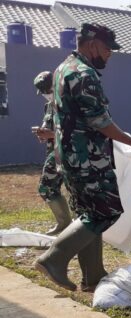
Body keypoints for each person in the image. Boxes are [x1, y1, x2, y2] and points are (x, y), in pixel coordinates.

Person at [34, 23, 131, 292]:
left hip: (70, 157)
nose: (110, 54)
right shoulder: (84, 74)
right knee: (105, 211)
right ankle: (54, 258)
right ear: (93, 43)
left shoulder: (63, 69)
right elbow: (99, 121)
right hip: (87, 159)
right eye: (108, 49)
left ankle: (93, 276)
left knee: (88, 214)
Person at [30, 71, 71, 235]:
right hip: (54, 152)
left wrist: (52, 135)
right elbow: (49, 127)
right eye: (44, 92)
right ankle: (65, 223)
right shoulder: (49, 106)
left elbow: (79, 132)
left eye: (48, 90)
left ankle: (69, 225)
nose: (47, 95)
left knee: (48, 187)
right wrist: (43, 134)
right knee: (49, 187)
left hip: (70, 152)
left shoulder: (69, 103)